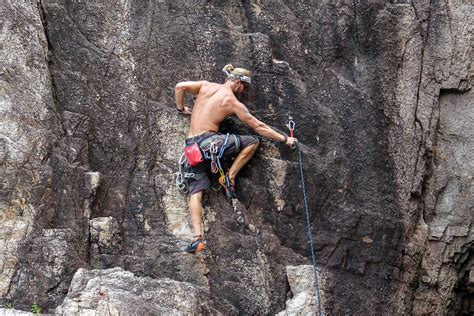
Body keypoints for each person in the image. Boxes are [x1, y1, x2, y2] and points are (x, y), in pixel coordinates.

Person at [175, 64, 297, 253]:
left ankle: (198, 238)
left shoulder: (205, 86)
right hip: (211, 143)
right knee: (253, 142)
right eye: (245, 88)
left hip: (191, 149)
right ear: (238, 83)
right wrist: (284, 139)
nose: (244, 92)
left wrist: (181, 108)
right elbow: (259, 127)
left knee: (195, 192)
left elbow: (180, 87)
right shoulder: (231, 101)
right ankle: (229, 177)